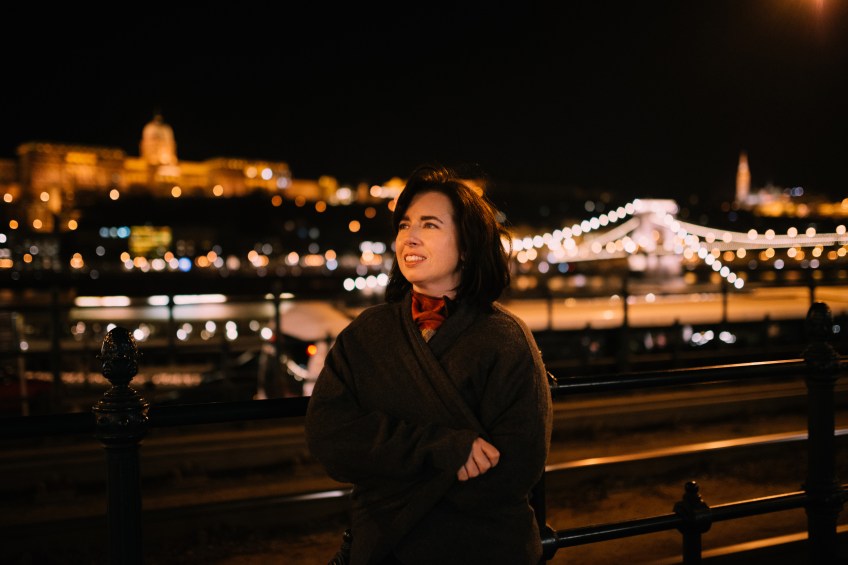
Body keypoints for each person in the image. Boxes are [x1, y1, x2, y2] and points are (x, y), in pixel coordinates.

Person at [304, 163, 553, 565]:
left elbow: (518, 467)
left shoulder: (505, 338)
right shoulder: (366, 332)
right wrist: (446, 448)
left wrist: (387, 474)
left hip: (480, 551)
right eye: (404, 225)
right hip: (384, 552)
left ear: (468, 246)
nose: (410, 236)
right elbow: (328, 435)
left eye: (430, 225)